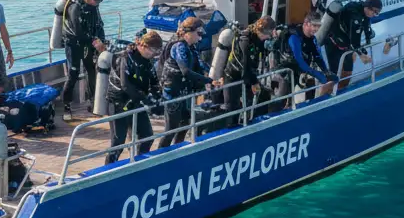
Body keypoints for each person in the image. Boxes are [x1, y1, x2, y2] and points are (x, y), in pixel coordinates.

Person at [157, 17, 215, 149]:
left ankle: (178, 148)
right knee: (171, 129)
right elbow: (185, 71)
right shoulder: (179, 46)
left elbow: (200, 63)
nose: (200, 38)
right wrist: (208, 80)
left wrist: (213, 74)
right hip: (172, 93)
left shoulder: (190, 47)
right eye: (198, 34)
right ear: (188, 32)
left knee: (185, 122)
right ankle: (161, 154)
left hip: (183, 91)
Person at [105, 31, 163, 164]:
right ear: (142, 45)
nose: (154, 54)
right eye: (153, 50)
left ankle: (139, 162)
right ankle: (108, 170)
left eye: (157, 51)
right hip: (119, 102)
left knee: (147, 136)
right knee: (118, 142)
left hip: (136, 102)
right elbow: (126, 85)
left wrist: (157, 97)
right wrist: (146, 100)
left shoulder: (148, 61)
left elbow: (154, 82)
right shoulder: (125, 58)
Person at [61, 0, 107, 122]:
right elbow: (77, 31)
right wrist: (93, 40)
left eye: (100, 1)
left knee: (91, 70)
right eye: (95, 0)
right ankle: (66, 106)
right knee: (73, 73)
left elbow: (98, 25)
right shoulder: (75, 7)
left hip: (87, 43)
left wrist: (101, 41)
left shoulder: (94, 6)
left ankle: (94, 102)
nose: (97, 3)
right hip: (74, 44)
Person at [273, 11, 336, 105]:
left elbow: (317, 56)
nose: (317, 29)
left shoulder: (312, 39)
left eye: (319, 26)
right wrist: (317, 74)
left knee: (328, 81)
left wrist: (326, 71)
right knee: (283, 100)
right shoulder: (294, 37)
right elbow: (299, 61)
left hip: (303, 69)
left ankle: (312, 107)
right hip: (287, 69)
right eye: (314, 26)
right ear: (306, 24)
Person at [321, 0, 383, 90]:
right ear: (368, 7)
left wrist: (366, 44)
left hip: (346, 45)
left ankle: (340, 91)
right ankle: (324, 97)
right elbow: (355, 40)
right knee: (333, 77)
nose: (374, 15)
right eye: (374, 12)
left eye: (377, 13)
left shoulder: (365, 13)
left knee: (347, 73)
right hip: (333, 44)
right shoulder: (355, 16)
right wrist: (361, 56)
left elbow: (367, 30)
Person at [223, 15, 276, 122]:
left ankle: (256, 122)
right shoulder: (245, 39)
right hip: (233, 75)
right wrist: (254, 83)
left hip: (249, 74)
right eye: (268, 35)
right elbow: (245, 65)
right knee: (233, 108)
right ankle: (232, 128)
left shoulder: (259, 38)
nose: (268, 38)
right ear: (261, 31)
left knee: (263, 96)